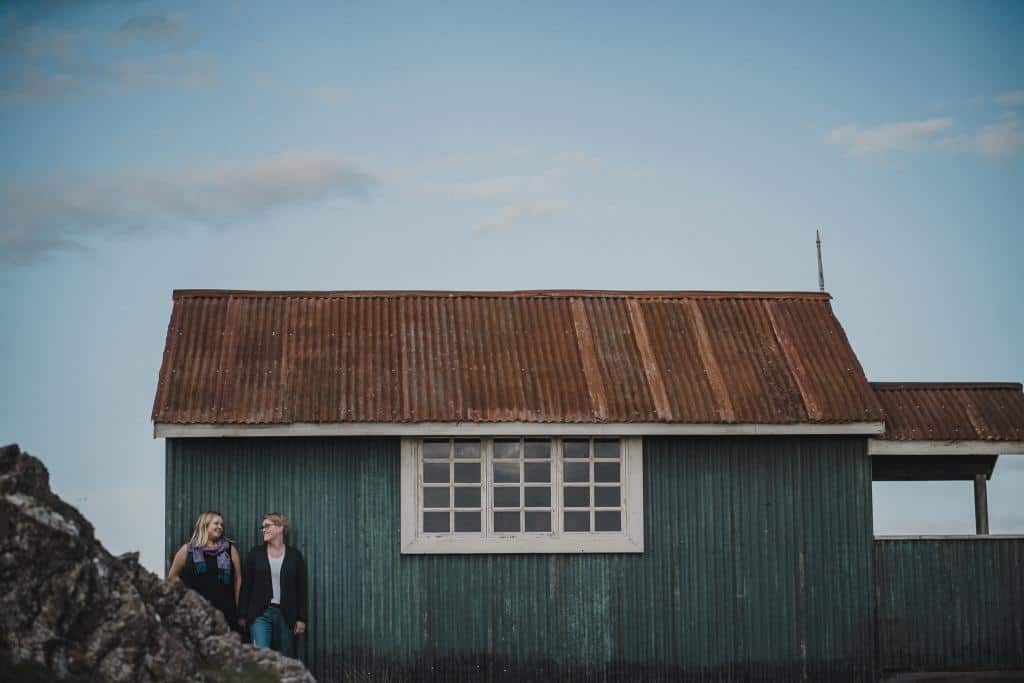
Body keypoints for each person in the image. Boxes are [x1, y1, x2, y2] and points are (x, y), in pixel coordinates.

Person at [238, 512, 308, 655]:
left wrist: (301, 618)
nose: (264, 529)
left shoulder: (295, 556)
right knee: (260, 656)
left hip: (286, 614)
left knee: (285, 658)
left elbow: (301, 589)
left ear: (280, 527)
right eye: (262, 527)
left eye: (267, 526)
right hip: (260, 614)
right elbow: (246, 586)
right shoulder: (255, 554)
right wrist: (242, 615)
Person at [168, 511, 243, 633]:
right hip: (195, 612)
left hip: (225, 612)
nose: (220, 527)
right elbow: (172, 579)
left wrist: (239, 609)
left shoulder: (230, 549)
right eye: (216, 523)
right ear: (204, 525)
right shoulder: (187, 550)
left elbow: (238, 580)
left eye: (221, 525)